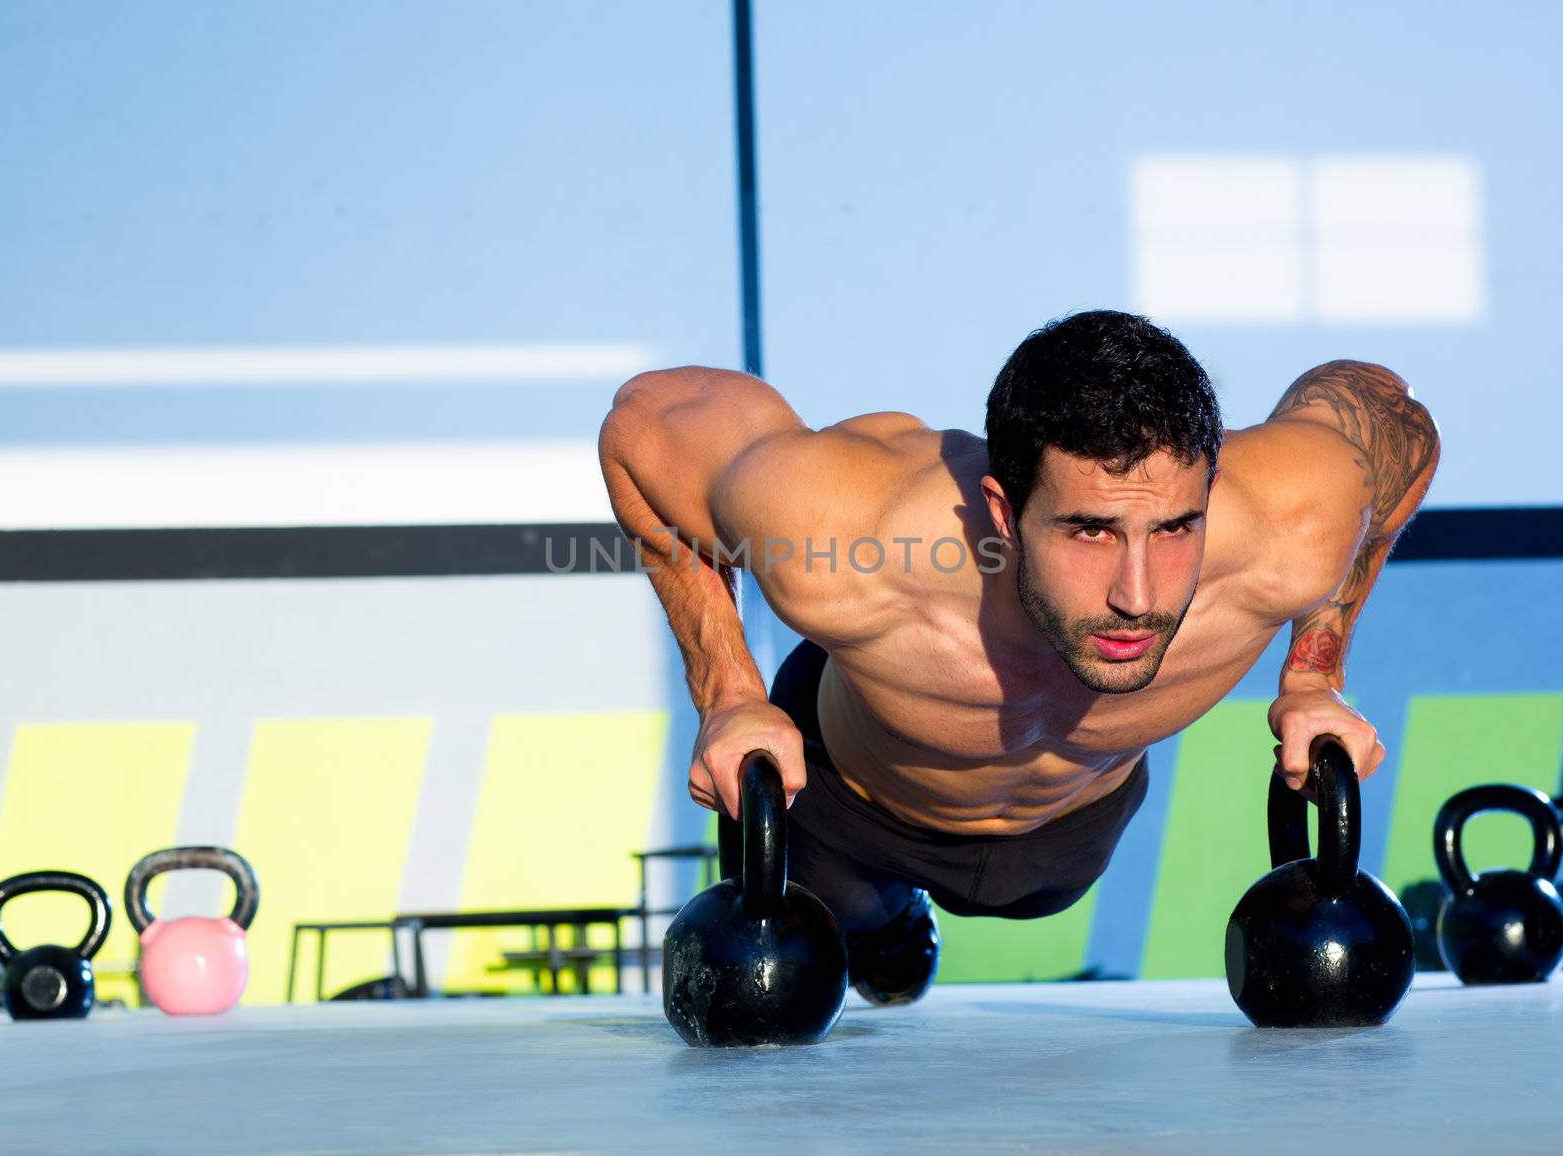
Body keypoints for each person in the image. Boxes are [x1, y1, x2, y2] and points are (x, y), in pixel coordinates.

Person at [598, 311, 1439, 1005]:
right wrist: (730, 693)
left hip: (1071, 834)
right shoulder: (848, 530)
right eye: (1089, 530)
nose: (1138, 596)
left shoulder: (1288, 524)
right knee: (859, 935)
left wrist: (1315, 672)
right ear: (1003, 510)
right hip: (854, 811)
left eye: (1176, 527)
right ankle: (889, 926)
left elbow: (1394, 420)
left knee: (1043, 890)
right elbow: (643, 420)